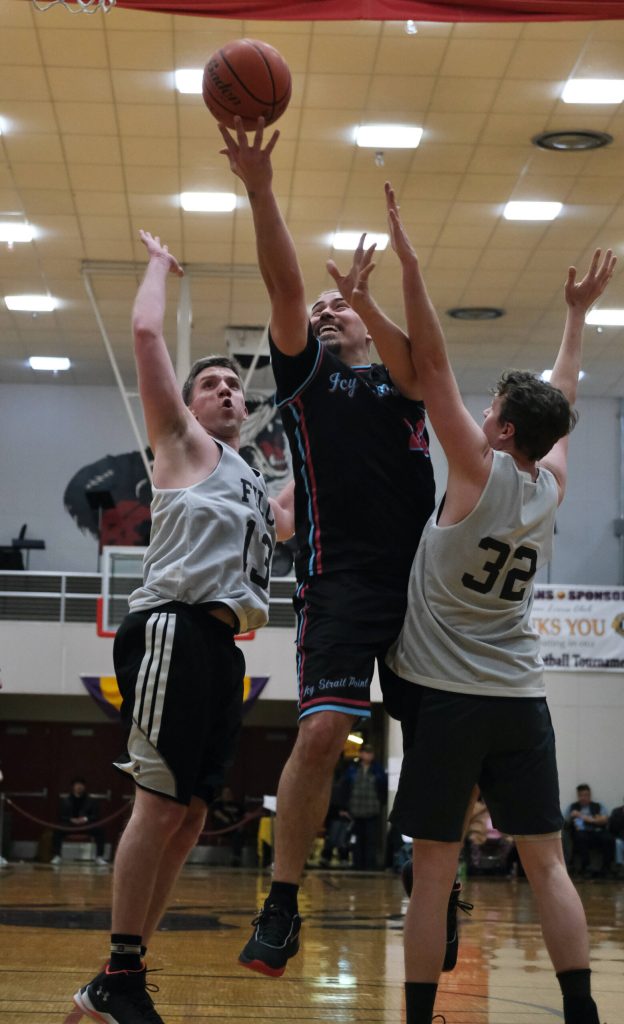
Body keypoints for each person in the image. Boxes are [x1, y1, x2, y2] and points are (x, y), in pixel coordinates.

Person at [378, 182, 615, 1024]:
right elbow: (564, 396)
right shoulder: (549, 484)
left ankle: (414, 1018)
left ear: (504, 431)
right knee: (548, 865)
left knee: (436, 870)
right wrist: (576, 318)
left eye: (493, 411)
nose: (481, 413)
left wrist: (407, 263)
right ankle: (582, 1012)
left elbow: (432, 364)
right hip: (523, 698)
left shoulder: (476, 471)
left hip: (449, 701)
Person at [219, 117, 436, 976]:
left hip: (422, 586)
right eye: (321, 309)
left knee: (438, 738)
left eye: (335, 305)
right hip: (337, 578)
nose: (322, 310)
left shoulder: (404, 382)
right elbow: (282, 286)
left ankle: (437, 878)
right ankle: (281, 901)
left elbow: (420, 359)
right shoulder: (309, 380)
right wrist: (261, 189)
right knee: (324, 732)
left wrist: (368, 298)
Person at [72, 231, 293, 1024]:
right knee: (158, 806)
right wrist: (160, 267)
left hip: (222, 647)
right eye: (213, 384)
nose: (229, 392)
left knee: (193, 812)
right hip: (168, 628)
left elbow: (300, 517)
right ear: (188, 404)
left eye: (236, 386)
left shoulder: (249, 479)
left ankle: (116, 976)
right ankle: (121, 974)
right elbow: (143, 334)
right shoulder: (181, 443)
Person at [339, 745, 387, 871]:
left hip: (372, 811)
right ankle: (357, 864)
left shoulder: (378, 770)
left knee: (371, 840)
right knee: (355, 840)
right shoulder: (352, 769)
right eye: (365, 752)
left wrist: (380, 804)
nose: (368, 755)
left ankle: (370, 865)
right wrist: (344, 808)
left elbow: (382, 789)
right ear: (360, 754)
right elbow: (344, 788)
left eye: (370, 753)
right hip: (354, 812)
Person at [51, 777, 107, 866]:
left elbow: (96, 816)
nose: (79, 787)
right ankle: (57, 856)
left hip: (86, 825)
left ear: (84, 787)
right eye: (77, 785)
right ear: (73, 787)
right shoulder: (65, 800)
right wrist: (71, 819)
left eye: (81, 785)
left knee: (100, 831)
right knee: (57, 831)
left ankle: (99, 857)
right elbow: (61, 816)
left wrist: (85, 819)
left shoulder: (91, 800)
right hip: (70, 825)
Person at [565, 784, 615, 878]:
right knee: (580, 837)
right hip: (580, 833)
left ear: (589, 795)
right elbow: (565, 821)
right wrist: (572, 817)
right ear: (578, 796)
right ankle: (586, 867)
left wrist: (582, 817)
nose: (583, 798)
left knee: (609, 838)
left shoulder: (598, 806)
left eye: (586, 795)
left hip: (597, 831)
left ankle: (606, 868)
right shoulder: (572, 807)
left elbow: (605, 820)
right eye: (581, 795)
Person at [210, 785, 245, 866]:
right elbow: (217, 813)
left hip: (235, 829)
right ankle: (236, 857)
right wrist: (227, 819)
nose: (228, 795)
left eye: (229, 793)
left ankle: (236, 857)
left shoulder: (237, 805)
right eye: (225, 793)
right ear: (222, 795)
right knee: (237, 831)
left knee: (238, 834)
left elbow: (245, 815)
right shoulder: (218, 804)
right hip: (222, 827)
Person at [608, 797, 624, 876]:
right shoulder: (616, 812)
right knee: (618, 843)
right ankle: (620, 866)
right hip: (620, 838)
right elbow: (612, 828)